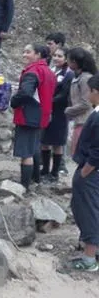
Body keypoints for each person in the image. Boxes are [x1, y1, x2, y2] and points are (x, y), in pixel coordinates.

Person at [11, 44, 56, 191]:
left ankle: (24, 186)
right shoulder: (48, 71)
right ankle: (36, 179)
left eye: (28, 52)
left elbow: (25, 93)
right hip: (42, 115)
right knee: (34, 147)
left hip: (28, 115)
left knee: (26, 153)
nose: (24, 55)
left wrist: (14, 101)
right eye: (24, 51)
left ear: (38, 55)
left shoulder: (33, 71)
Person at [69, 74, 99, 272]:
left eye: (89, 90)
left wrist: (85, 172)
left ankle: (89, 258)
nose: (87, 94)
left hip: (91, 172)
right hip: (91, 170)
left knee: (88, 211)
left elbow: (97, 151)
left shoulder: (97, 116)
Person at [40, 47, 74, 182]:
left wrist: (48, 101)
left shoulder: (68, 74)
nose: (56, 58)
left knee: (57, 143)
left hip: (60, 112)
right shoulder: (50, 70)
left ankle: (54, 173)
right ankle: (45, 170)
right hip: (47, 109)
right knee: (44, 141)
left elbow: (64, 95)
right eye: (55, 55)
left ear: (66, 59)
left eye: (60, 56)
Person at [66, 47, 98, 157]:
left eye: (68, 59)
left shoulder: (85, 79)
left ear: (74, 62)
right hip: (79, 120)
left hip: (84, 121)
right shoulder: (78, 77)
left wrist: (68, 110)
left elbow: (86, 102)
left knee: (82, 155)